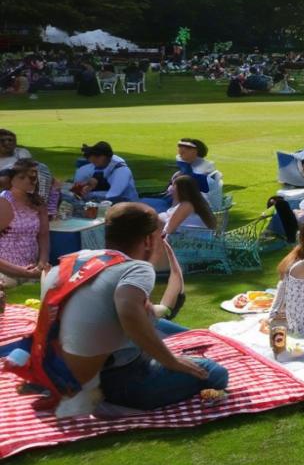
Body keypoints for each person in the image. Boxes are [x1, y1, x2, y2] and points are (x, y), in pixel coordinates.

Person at [37, 203, 228, 413]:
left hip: (58, 372)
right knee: (216, 372)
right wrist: (170, 360)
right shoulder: (137, 269)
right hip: (119, 382)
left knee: (185, 332)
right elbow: (127, 309)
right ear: (148, 240)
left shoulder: (76, 260)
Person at [0, 160, 50, 288]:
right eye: (23, 177)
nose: (30, 181)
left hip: (32, 268)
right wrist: (21, 271)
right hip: (5, 271)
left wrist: (42, 262)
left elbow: (43, 235)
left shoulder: (38, 203)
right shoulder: (4, 203)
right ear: (11, 180)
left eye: (34, 177)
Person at [69, 141, 139, 203]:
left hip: (127, 205)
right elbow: (78, 185)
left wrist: (88, 196)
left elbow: (113, 195)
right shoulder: (100, 165)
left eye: (95, 161)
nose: (94, 165)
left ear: (104, 156)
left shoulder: (122, 172)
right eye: (93, 162)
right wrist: (87, 185)